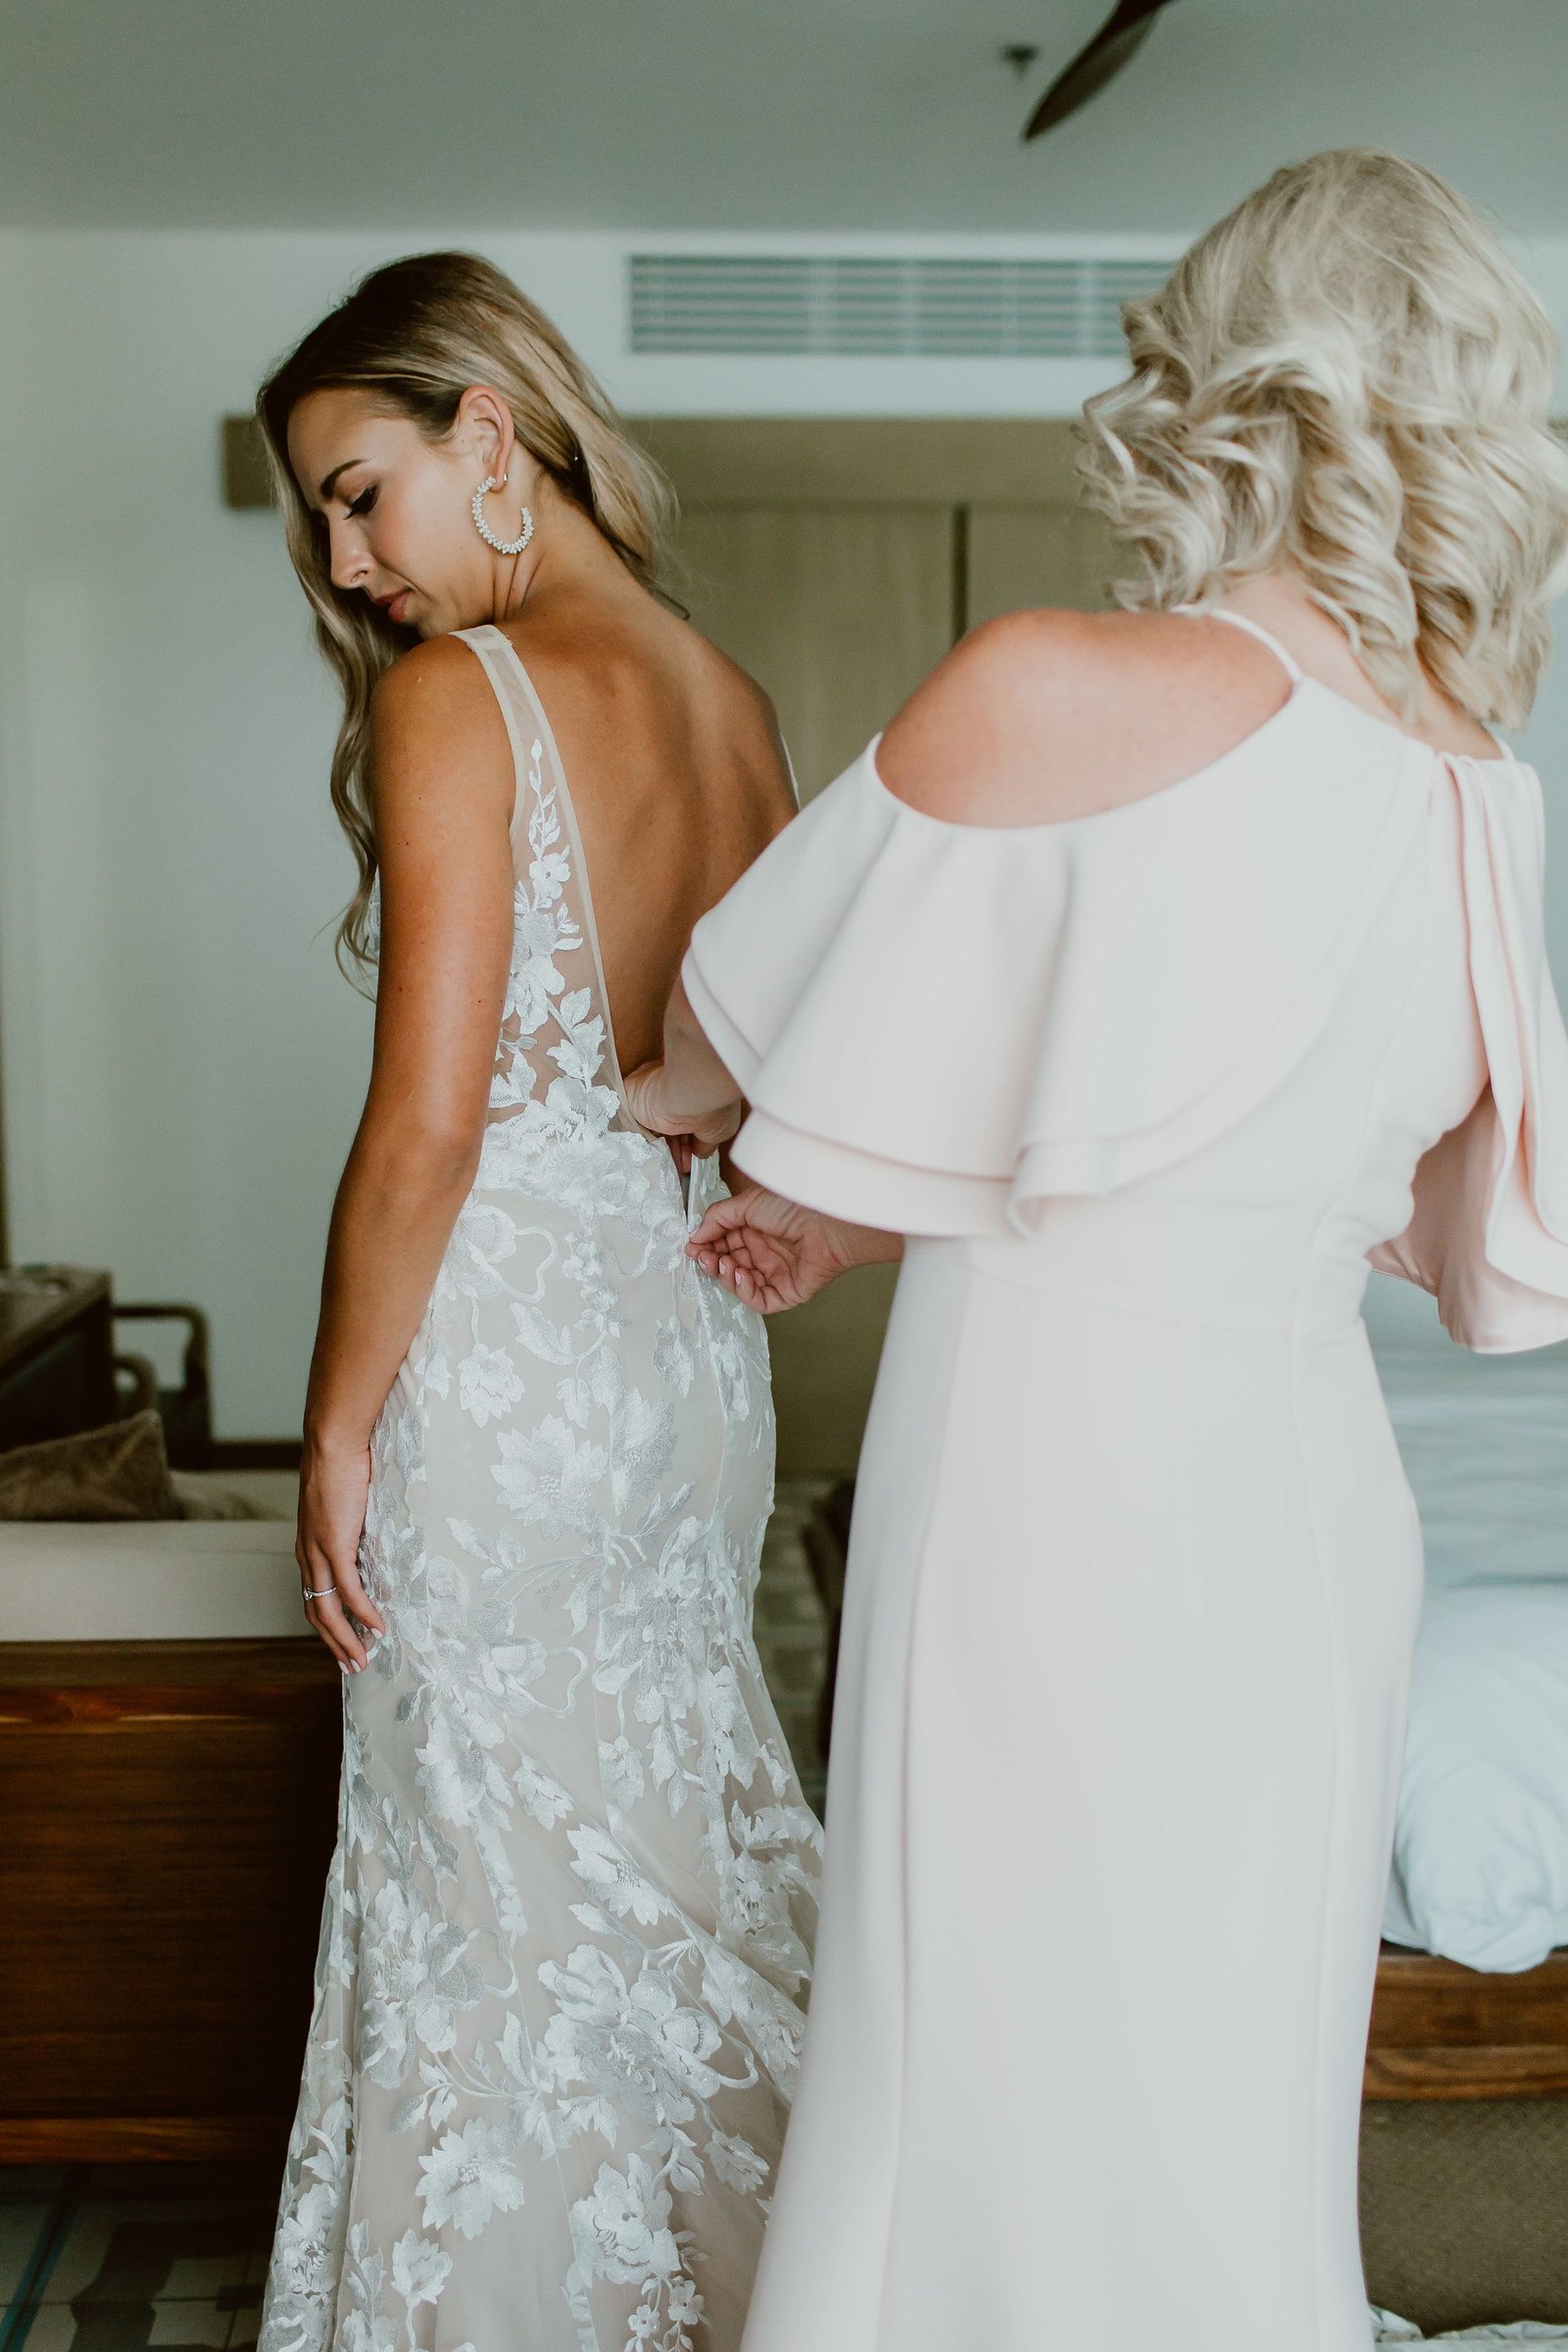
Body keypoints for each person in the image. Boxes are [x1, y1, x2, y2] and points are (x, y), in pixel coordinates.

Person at [623, 151, 1568, 2351]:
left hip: (1042, 1474)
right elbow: (1238, 1142)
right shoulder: (1471, 781)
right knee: (1212, 2094)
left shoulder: (1046, 682)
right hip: (1304, 1490)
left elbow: (715, 1039)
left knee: (974, 2059)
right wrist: (856, 1204)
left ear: (1209, 382)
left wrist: (736, 1141)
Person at [252, 252, 819, 2352]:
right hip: (681, 1365)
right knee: (668, 1842)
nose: (343, 555)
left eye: (356, 488)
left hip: (503, 1378)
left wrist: (333, 1421)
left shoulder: (456, 699)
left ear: (487, 433)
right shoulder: (728, 701)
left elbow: (427, 1129)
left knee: (487, 1893)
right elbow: (758, 1091)